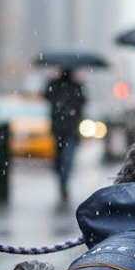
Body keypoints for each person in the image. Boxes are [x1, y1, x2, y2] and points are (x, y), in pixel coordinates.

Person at [45, 68, 85, 205]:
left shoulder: (56, 86)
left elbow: (47, 97)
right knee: (65, 159)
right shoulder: (74, 87)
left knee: (62, 158)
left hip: (61, 129)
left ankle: (63, 182)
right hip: (67, 129)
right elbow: (82, 104)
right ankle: (63, 182)